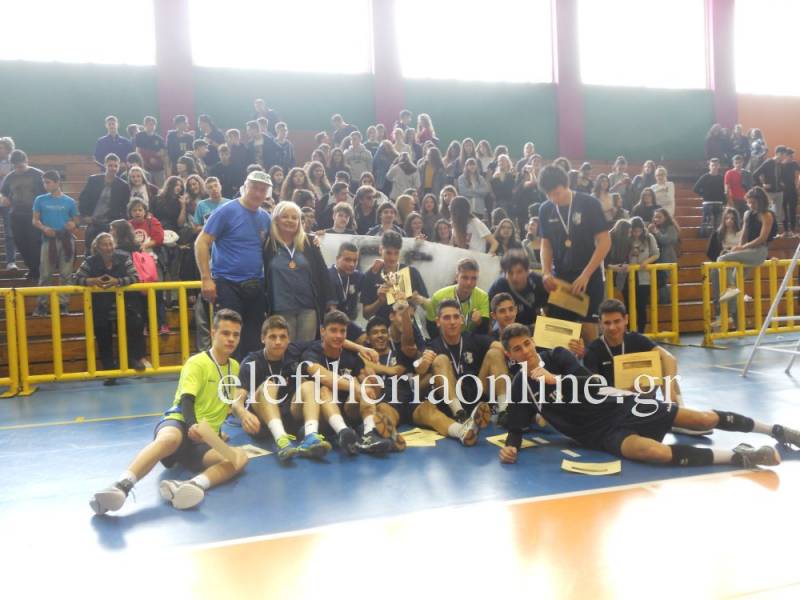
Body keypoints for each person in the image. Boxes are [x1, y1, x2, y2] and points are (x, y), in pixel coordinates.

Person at [499, 322, 797, 466]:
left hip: (620, 406)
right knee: (655, 453)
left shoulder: (558, 356)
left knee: (702, 420)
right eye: (517, 349)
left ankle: (774, 429)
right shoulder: (521, 386)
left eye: (527, 344)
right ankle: (737, 456)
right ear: (510, 356)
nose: (525, 351)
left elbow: (588, 384)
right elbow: (516, 427)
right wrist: (510, 448)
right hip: (598, 434)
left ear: (533, 342)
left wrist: (554, 380)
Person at [89, 309, 248, 513]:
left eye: (236, 334)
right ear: (213, 333)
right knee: (169, 439)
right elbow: (187, 400)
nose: (231, 339)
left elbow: (225, 403)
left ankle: (191, 485)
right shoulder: (197, 362)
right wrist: (192, 425)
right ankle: (121, 486)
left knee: (239, 457)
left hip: (204, 441)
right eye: (225, 333)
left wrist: (222, 430)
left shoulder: (234, 367)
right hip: (181, 423)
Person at [195, 171, 272, 360]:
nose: (258, 193)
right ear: (245, 187)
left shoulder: (265, 218)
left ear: (267, 194)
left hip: (255, 285)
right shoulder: (225, 211)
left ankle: (248, 377)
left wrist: (313, 239)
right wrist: (206, 279)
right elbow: (201, 242)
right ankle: (227, 376)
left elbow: (285, 240)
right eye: (254, 188)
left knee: (254, 340)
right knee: (228, 338)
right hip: (227, 284)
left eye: (262, 190)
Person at [301, 310, 395, 455]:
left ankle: (369, 433)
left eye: (342, 331)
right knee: (325, 389)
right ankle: (341, 431)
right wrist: (356, 388)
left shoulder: (351, 357)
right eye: (333, 330)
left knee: (366, 385)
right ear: (323, 331)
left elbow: (371, 391)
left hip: (346, 411)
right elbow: (324, 377)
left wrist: (372, 383)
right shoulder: (311, 353)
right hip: (319, 413)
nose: (338, 335)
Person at [538, 165, 610, 342]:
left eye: (557, 193)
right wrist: (546, 272)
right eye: (549, 195)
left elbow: (605, 242)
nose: (554, 198)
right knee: (560, 333)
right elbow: (546, 244)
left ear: (566, 185)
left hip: (589, 276)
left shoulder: (589, 204)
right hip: (561, 276)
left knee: (588, 328)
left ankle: (593, 360)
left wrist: (586, 275)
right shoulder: (545, 209)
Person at [415, 300, 508, 435]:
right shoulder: (432, 346)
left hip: (477, 395)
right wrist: (423, 364)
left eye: (456, 317)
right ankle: (460, 414)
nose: (452, 322)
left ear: (462, 320)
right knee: (440, 359)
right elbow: (418, 371)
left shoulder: (473, 338)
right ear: (438, 322)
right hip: (451, 399)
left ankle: (504, 412)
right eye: (447, 318)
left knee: (495, 353)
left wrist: (520, 350)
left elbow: (501, 347)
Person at [73, 232, 147, 379]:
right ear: (98, 247)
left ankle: (131, 361)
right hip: (100, 308)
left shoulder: (124, 258)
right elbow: (75, 279)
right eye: (105, 245)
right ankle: (109, 372)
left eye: (110, 244)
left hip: (126, 306)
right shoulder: (90, 261)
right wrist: (92, 281)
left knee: (130, 334)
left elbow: (135, 277)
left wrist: (117, 281)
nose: (108, 247)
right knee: (103, 340)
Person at [263, 201, 332, 342]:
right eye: (285, 216)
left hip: (308, 307)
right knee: (284, 348)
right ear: (276, 219)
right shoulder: (267, 243)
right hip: (280, 308)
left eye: (294, 217)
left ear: (299, 221)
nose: (290, 220)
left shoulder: (310, 242)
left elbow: (322, 273)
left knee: (306, 348)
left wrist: (330, 302)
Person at [714, 187, 777, 327]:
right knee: (736, 284)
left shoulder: (767, 215)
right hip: (748, 251)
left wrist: (742, 247)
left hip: (759, 252)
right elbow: (744, 234)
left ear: (761, 201)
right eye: (749, 202)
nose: (751, 205)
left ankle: (731, 288)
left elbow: (762, 238)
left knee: (721, 259)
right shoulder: (748, 213)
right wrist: (738, 247)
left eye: (753, 202)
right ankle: (737, 322)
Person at [32, 171, 78, 316]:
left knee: (66, 274)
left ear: (57, 182)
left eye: (48, 182)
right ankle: (42, 305)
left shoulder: (69, 201)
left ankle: (63, 304)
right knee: (45, 273)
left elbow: (77, 220)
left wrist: (73, 224)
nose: (45, 185)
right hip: (49, 239)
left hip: (65, 238)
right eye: (44, 182)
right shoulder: (40, 199)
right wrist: (44, 228)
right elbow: (35, 220)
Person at [361, 230, 428, 322]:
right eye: (388, 253)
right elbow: (366, 315)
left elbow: (428, 306)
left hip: (407, 324)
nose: (392, 258)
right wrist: (379, 302)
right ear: (381, 250)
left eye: (396, 253)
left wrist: (419, 299)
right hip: (382, 326)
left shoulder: (411, 272)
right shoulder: (372, 274)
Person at [0, 150, 45, 278]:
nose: (18, 169)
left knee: (34, 242)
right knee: (20, 243)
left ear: (26, 161)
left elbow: (47, 193)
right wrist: (3, 198)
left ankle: (36, 270)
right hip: (16, 215)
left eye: (20, 166)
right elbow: (3, 192)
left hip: (34, 215)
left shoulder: (38, 175)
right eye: (15, 167)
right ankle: (32, 268)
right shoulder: (10, 177)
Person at [425, 258, 490, 336]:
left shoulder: (483, 296)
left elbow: (484, 330)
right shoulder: (438, 296)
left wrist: (479, 322)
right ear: (456, 277)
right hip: (444, 338)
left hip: (470, 338)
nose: (469, 282)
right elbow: (431, 326)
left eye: (474, 278)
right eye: (465, 278)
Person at [488, 250, 548, 328]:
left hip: (533, 326)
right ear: (504, 273)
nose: (515, 277)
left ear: (527, 271)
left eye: (519, 272)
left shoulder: (537, 281)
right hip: (508, 328)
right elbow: (487, 311)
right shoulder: (499, 286)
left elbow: (547, 307)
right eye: (510, 273)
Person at [625, 216, 659, 333]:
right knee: (628, 306)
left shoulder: (649, 238)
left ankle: (641, 332)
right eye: (634, 231)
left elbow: (656, 254)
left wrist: (646, 262)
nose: (636, 234)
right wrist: (630, 252)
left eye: (639, 231)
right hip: (628, 276)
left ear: (643, 229)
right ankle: (629, 331)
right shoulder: (626, 238)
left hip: (643, 277)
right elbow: (620, 254)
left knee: (641, 306)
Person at [648, 208, 680, 304]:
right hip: (655, 259)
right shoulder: (652, 228)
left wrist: (655, 231)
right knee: (657, 281)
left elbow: (666, 240)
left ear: (665, 217)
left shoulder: (671, 228)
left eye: (659, 217)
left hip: (666, 259)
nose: (656, 219)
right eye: (655, 217)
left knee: (662, 282)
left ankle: (665, 302)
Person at [694, 158, 726, 237]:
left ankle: (716, 242)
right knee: (706, 225)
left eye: (716, 165)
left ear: (719, 166)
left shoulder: (722, 178)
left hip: (719, 204)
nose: (714, 167)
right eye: (712, 165)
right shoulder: (705, 177)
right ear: (709, 166)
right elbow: (695, 188)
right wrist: (704, 195)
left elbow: (725, 190)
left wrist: (724, 202)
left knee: (718, 226)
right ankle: (704, 241)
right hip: (707, 204)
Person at [134, 116, 167, 186]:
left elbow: (162, 153)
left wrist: (155, 158)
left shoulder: (159, 138)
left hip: (158, 169)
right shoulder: (139, 136)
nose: (152, 126)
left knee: (160, 188)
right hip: (144, 168)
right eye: (150, 124)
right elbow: (138, 151)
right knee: (145, 187)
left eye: (153, 124)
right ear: (145, 125)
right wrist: (152, 156)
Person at [0, 137, 17, 269]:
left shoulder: (14, 163)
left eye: (1, 147)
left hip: (7, 201)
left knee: (10, 232)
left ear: (8, 149)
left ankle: (11, 262)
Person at [779, 148, 799, 237]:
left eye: (793, 156)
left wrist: (797, 185)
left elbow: (798, 175)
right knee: (783, 210)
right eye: (791, 156)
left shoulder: (794, 163)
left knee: (792, 210)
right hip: (783, 190)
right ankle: (786, 230)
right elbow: (778, 177)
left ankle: (793, 230)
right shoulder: (780, 164)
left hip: (792, 189)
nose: (792, 158)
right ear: (786, 156)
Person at [724, 154, 751, 218]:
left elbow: (750, 187)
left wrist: (749, 200)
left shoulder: (747, 173)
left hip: (745, 200)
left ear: (743, 162)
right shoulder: (729, 173)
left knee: (746, 218)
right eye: (736, 163)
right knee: (735, 219)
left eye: (740, 162)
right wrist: (730, 201)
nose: (738, 164)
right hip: (734, 200)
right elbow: (726, 189)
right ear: (733, 163)